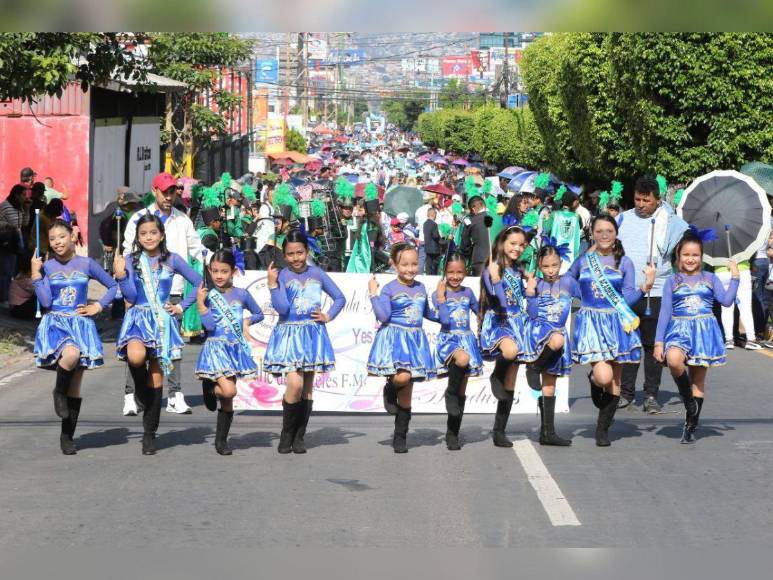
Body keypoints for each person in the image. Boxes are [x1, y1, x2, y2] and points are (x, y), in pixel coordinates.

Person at [114, 214, 202, 455]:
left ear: (161, 235)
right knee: (135, 356)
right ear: (138, 238)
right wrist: (121, 276)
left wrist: (181, 306)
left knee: (156, 378)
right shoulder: (131, 260)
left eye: (153, 232)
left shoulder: (172, 259)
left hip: (163, 321)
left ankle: (149, 434)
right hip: (138, 319)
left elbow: (198, 282)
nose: (148, 237)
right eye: (143, 234)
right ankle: (140, 395)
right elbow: (131, 297)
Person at [567, 215, 656, 446]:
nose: (604, 235)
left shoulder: (624, 262)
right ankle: (594, 380)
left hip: (617, 323)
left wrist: (645, 286)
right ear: (593, 234)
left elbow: (626, 298)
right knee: (603, 376)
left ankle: (602, 429)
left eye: (609, 230)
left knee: (615, 378)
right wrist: (582, 294)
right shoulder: (584, 259)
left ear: (616, 234)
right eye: (599, 231)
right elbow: (568, 279)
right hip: (592, 324)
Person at [31, 219, 118, 454]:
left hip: (81, 325)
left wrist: (97, 307)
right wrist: (36, 276)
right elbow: (47, 302)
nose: (57, 242)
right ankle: (57, 392)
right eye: (52, 239)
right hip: (57, 323)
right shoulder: (47, 267)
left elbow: (112, 286)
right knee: (71, 354)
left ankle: (66, 436)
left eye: (61, 236)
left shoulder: (87, 263)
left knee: (76, 386)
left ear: (72, 236)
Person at [122, 172, 203, 415]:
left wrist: (221, 263)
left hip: (171, 294)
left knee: (171, 346)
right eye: (164, 191)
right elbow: (127, 254)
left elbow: (197, 250)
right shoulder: (138, 218)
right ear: (154, 190)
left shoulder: (183, 220)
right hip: (141, 296)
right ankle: (130, 395)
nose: (169, 196)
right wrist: (126, 293)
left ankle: (175, 394)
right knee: (135, 348)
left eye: (173, 192)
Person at [264, 230, 346, 454]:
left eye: (300, 252)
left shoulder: (317, 273)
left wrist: (328, 316)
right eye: (290, 254)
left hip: (312, 334)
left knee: (307, 389)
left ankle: (299, 436)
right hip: (289, 335)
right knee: (295, 384)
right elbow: (282, 309)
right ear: (284, 254)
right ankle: (286, 433)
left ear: (307, 251)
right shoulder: (281, 276)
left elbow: (340, 297)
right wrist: (272, 285)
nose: (296, 258)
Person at [654, 230, 740, 444]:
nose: (690, 259)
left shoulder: (710, 278)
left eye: (695, 255)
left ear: (701, 257)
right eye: (686, 255)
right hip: (678, 329)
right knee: (674, 360)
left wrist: (735, 277)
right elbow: (664, 312)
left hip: (704, 332)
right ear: (678, 255)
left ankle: (690, 425)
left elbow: (727, 301)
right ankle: (688, 402)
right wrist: (658, 342)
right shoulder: (672, 281)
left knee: (698, 380)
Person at [617, 175, 689, 412]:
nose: (640, 205)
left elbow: (682, 255)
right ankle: (625, 393)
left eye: (646, 201)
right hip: (629, 293)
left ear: (657, 200)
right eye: (637, 199)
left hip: (658, 293)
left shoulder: (671, 223)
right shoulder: (622, 219)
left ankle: (650, 395)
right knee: (629, 344)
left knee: (652, 346)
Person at [367, 243, 437, 453]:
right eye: (404, 264)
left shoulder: (421, 287)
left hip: (415, 340)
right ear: (395, 264)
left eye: (414, 264)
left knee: (407, 392)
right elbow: (383, 316)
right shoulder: (389, 288)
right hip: (395, 339)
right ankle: (390, 387)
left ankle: (400, 437)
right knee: (402, 378)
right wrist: (373, 294)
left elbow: (428, 314)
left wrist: (443, 305)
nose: (410, 269)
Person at [195, 249, 263, 455]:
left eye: (224, 271)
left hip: (234, 348)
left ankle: (221, 441)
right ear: (209, 270)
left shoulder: (242, 294)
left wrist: (247, 321)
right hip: (215, 348)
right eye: (215, 271)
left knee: (228, 398)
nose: (218, 276)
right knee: (229, 391)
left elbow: (259, 313)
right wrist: (200, 303)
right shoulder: (208, 294)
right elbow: (208, 326)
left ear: (233, 271)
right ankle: (209, 386)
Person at [479, 226, 534, 448]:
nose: (517, 248)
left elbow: (525, 301)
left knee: (510, 381)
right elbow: (498, 299)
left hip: (518, 323)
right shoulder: (491, 267)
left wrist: (531, 288)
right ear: (502, 242)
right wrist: (495, 279)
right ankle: (495, 376)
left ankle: (499, 430)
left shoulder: (519, 270)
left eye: (521, 245)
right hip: (500, 321)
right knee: (509, 352)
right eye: (513, 243)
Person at [523, 242, 578, 447]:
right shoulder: (536, 283)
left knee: (549, 384)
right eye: (546, 266)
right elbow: (533, 314)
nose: (551, 270)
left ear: (561, 263)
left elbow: (585, 297)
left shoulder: (569, 282)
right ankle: (533, 366)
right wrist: (530, 292)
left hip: (558, 337)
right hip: (541, 334)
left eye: (554, 265)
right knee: (557, 338)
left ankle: (548, 432)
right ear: (539, 265)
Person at [432, 253, 482, 450]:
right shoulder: (439, 292)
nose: (455, 276)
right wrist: (441, 297)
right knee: (460, 361)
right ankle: (449, 394)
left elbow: (479, 311)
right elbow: (444, 319)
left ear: (466, 272)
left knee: (463, 388)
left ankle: (453, 433)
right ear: (444, 272)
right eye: (451, 272)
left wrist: (485, 314)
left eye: (459, 272)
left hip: (466, 338)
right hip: (449, 339)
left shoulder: (468, 292)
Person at [716, 258, 761, 350]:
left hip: (721, 271)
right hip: (742, 269)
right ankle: (751, 340)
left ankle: (729, 340)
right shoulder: (741, 243)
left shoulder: (712, 243)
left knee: (726, 307)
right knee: (745, 308)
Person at [0, 185, 31, 307]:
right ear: (16, 195)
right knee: (5, 271)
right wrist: (7, 226)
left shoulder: (19, 207)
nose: (25, 197)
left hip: (16, 242)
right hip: (5, 242)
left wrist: (27, 209)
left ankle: (8, 295)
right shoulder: (5, 206)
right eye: (23, 195)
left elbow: (24, 223)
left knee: (12, 271)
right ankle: (3, 298)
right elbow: (4, 222)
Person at [460, 195, 491, 276]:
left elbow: (464, 244)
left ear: (473, 209)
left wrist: (468, 252)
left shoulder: (471, 221)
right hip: (498, 261)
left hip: (480, 260)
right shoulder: (499, 218)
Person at [9, 250, 36, 319]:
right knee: (40, 296)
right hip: (19, 310)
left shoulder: (19, 275)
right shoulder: (26, 281)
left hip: (14, 309)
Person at [423, 208, 442, 275]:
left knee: (428, 265)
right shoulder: (434, 224)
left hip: (427, 247)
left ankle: (428, 276)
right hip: (434, 248)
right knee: (435, 266)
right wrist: (442, 238)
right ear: (434, 215)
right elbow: (436, 236)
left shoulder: (425, 223)